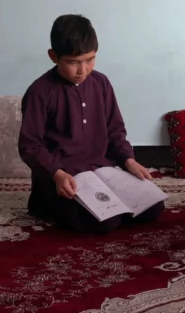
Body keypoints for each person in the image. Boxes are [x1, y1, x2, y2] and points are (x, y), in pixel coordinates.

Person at [18, 14, 165, 234]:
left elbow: (115, 130)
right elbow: (30, 145)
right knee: (104, 222)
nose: (83, 70)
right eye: (73, 62)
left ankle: (111, 208)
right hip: (62, 178)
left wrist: (128, 160)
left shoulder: (101, 83)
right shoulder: (40, 91)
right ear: (53, 56)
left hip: (100, 171)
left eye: (90, 59)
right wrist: (56, 173)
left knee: (153, 208)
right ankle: (51, 206)